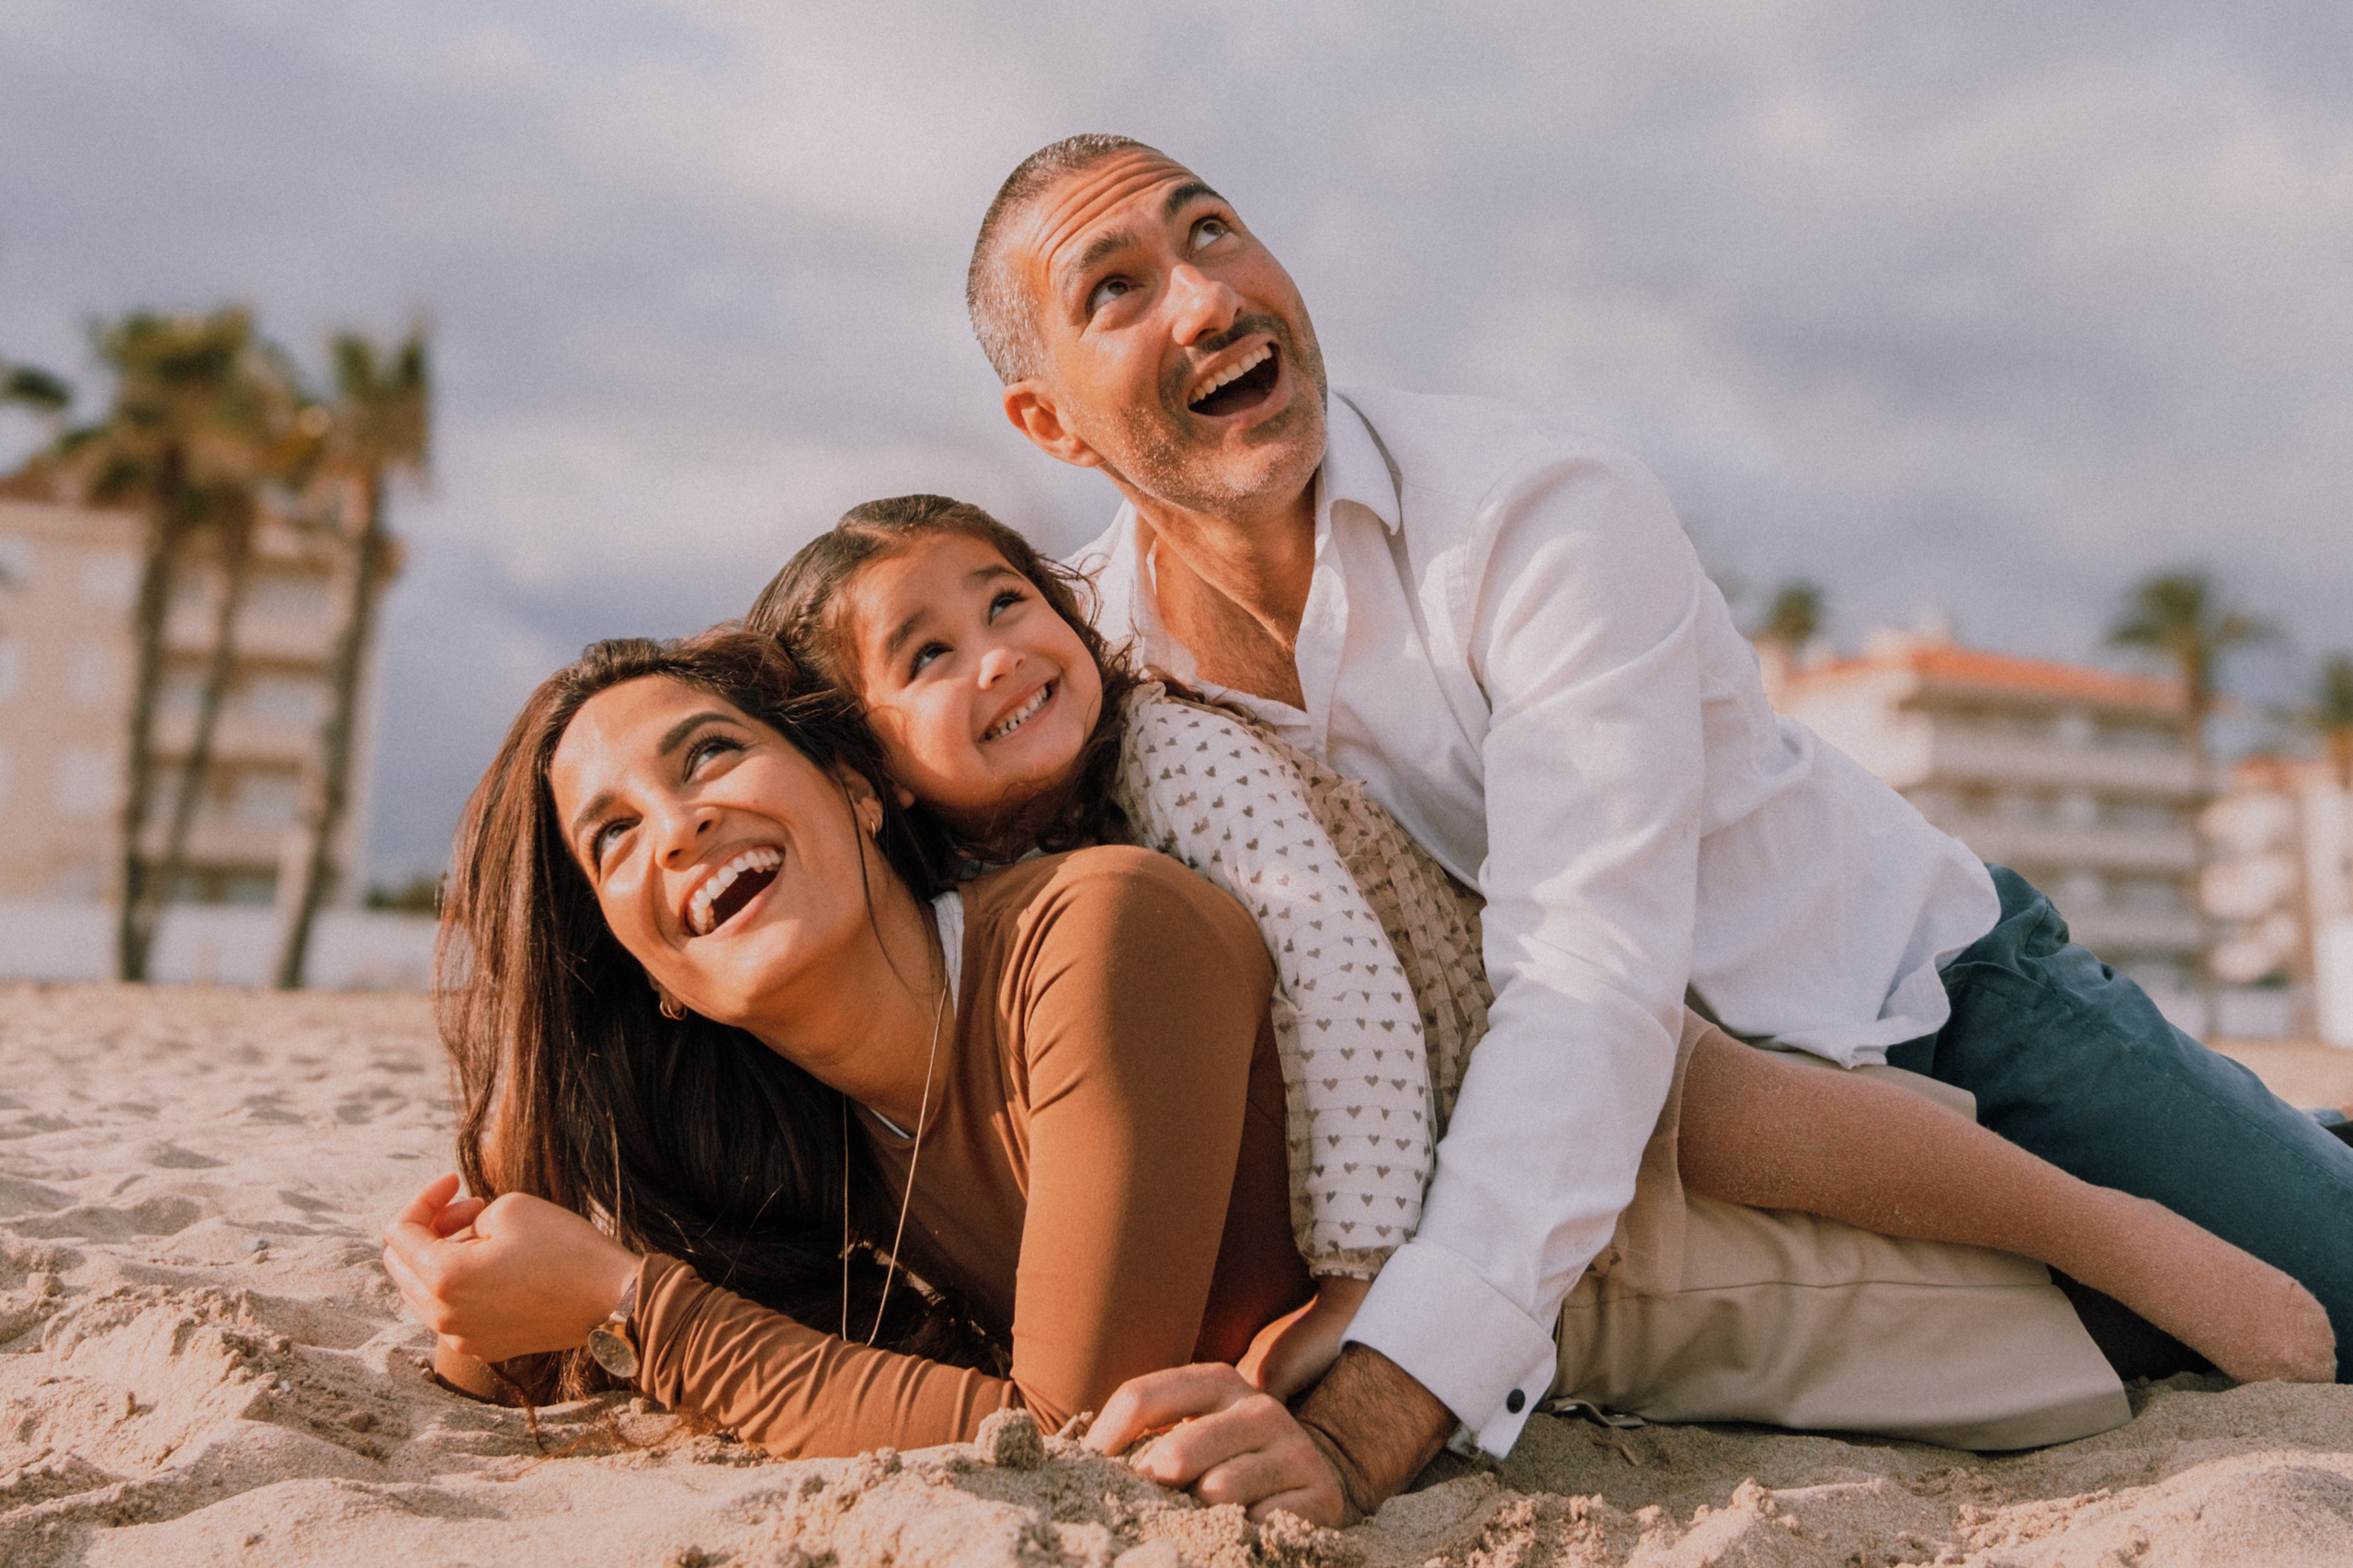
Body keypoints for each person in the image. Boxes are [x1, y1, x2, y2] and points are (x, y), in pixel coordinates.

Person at [958, 132, 2353, 1521]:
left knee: (2327, 1292)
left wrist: (1382, 1412)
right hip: (1680, 1160)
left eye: (1211, 229)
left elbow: (1585, 984)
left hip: (1927, 1001)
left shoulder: (1534, 516)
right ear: (1051, 424)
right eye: (1115, 287)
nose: (1208, 297)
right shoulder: (1087, 661)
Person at [743, 493, 2327, 1412]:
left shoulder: (1175, 758)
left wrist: (1363, 1278)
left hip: (1500, 1015)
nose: (998, 654)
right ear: (864, 768)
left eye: (1006, 601)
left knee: (1761, 1123)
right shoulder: (979, 898)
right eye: (927, 654)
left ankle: (2127, 1231)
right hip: (1455, 1096)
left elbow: (1344, 996)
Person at [382, 631, 1317, 1455]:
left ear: (855, 786)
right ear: (649, 972)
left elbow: (1073, 1440)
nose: (677, 827)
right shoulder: (799, 1135)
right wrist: (489, 1231)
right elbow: (509, 1368)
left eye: (709, 754)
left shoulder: (1102, 934)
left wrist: (631, 1305)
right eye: (615, 833)